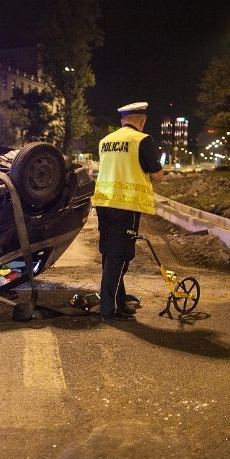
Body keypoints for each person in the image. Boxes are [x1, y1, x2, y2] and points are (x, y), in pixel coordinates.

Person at [92, 102, 164, 321]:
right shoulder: (142, 140)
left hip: (104, 203)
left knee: (109, 253)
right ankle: (109, 310)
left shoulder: (105, 141)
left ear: (123, 120)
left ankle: (118, 303)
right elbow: (157, 176)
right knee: (120, 255)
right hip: (126, 205)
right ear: (141, 121)